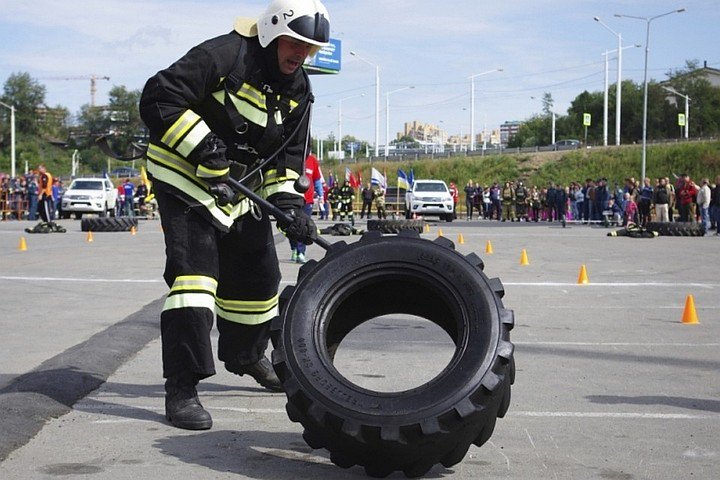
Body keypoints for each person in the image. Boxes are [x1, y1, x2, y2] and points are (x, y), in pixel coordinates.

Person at [138, 0, 330, 431]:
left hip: (239, 191)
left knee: (260, 282)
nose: (300, 54)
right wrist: (204, 147)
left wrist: (289, 204)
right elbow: (158, 97)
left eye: (309, 48)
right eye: (295, 42)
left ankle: (244, 357)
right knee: (195, 281)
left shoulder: (299, 88)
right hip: (185, 179)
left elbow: (288, 158)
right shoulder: (223, 54)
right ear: (271, 31)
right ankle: (182, 387)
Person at [290, 152, 323, 264]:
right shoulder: (292, 157)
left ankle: (301, 252)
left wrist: (321, 195)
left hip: (307, 200)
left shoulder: (312, 160)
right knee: (292, 225)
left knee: (304, 226)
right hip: (293, 199)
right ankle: (294, 248)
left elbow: (317, 180)